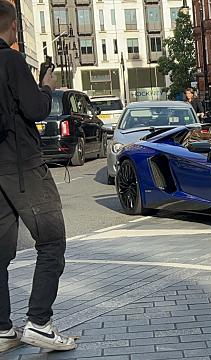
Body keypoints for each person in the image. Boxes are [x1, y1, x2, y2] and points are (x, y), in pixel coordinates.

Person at [0, 0, 76, 352]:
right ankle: (40, 323)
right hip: (22, 166)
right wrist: (46, 86)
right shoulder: (11, 60)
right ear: (11, 26)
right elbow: (36, 109)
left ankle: (2, 329)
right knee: (52, 241)